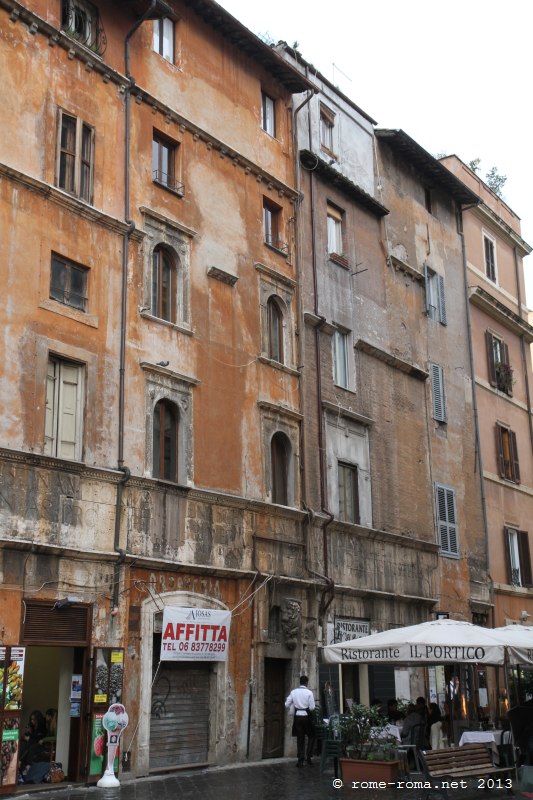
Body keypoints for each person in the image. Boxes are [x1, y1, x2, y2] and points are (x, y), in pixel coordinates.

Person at [285, 675, 316, 767]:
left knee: (300, 738)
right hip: (306, 716)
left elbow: (286, 704)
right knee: (311, 735)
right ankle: (308, 756)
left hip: (297, 717)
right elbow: (312, 708)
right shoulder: (309, 693)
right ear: (306, 683)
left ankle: (300, 759)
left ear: (300, 682)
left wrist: (294, 705)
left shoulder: (293, 692)